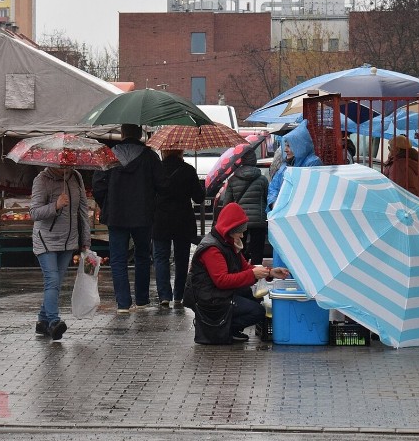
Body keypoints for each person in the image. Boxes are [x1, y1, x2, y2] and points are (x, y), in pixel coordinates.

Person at [183, 203, 289, 343]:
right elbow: (222, 280)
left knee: (253, 297)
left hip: (217, 293)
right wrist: (253, 275)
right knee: (257, 311)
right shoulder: (212, 249)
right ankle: (219, 328)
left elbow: (244, 267)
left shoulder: (226, 242)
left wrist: (270, 273)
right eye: (239, 231)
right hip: (210, 298)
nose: (242, 234)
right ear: (230, 229)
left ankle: (227, 327)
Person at [93, 123, 166, 313]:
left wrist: (107, 205)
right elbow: (162, 185)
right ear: (140, 134)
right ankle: (142, 300)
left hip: (116, 215)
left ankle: (123, 303)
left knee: (118, 259)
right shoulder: (150, 156)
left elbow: (98, 186)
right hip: (143, 215)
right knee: (142, 256)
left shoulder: (108, 155)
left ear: (122, 134)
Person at [29, 166, 90, 340]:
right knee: (52, 280)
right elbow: (34, 212)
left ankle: (42, 321)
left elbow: (83, 211)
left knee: (56, 282)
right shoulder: (41, 179)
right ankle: (54, 322)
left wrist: (85, 240)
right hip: (46, 239)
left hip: (69, 240)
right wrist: (55, 205)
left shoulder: (76, 177)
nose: (66, 166)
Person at [152, 149, 204, 308]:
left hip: (160, 219)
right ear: (180, 152)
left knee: (161, 257)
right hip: (183, 220)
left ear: (164, 152)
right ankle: (179, 295)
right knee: (181, 259)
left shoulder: (156, 169)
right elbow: (199, 198)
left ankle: (164, 296)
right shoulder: (188, 170)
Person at [219, 147, 269, 265]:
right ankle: (256, 274)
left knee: (238, 247)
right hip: (258, 220)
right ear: (254, 161)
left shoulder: (233, 180)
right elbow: (267, 199)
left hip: (239, 221)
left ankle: (241, 271)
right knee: (257, 249)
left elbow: (227, 203)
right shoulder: (262, 179)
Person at [267, 120, 323, 209]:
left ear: (299, 146)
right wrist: (274, 203)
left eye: (289, 146)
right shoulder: (284, 166)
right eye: (285, 145)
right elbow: (273, 187)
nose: (285, 150)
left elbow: (310, 191)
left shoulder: (312, 163)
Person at [382, 134, 419, 201]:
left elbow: (397, 189)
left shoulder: (399, 165)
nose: (389, 151)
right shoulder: (413, 161)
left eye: (390, 148)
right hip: (414, 201)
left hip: (402, 203)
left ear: (397, 149)